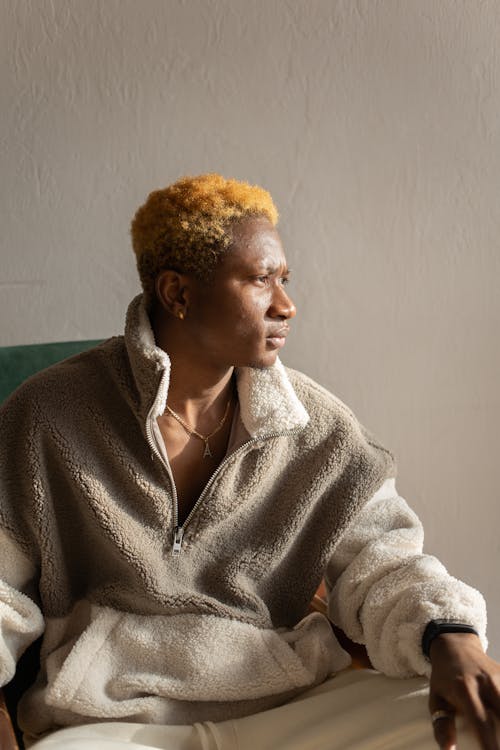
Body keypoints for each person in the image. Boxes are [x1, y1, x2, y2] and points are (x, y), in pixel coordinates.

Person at [0, 173, 498, 750]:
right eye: (261, 280)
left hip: (292, 708)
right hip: (112, 720)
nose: (286, 305)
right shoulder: (49, 415)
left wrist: (451, 633)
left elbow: (383, 563)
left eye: (284, 280)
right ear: (177, 294)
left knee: (459, 720)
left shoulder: (319, 427)